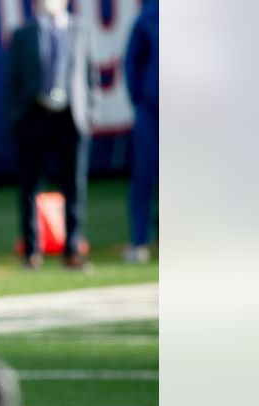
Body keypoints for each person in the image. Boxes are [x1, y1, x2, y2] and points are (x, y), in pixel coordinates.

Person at [5, 0, 95, 272]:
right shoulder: (23, 34)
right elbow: (14, 80)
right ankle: (31, 251)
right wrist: (18, 118)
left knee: (74, 186)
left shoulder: (79, 30)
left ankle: (73, 249)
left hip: (71, 117)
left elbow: (89, 76)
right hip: (34, 117)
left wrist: (89, 113)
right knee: (30, 186)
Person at [124, 0, 158, 264]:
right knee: (143, 175)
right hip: (153, 109)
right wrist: (141, 96)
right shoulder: (151, 14)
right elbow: (132, 58)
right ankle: (140, 240)